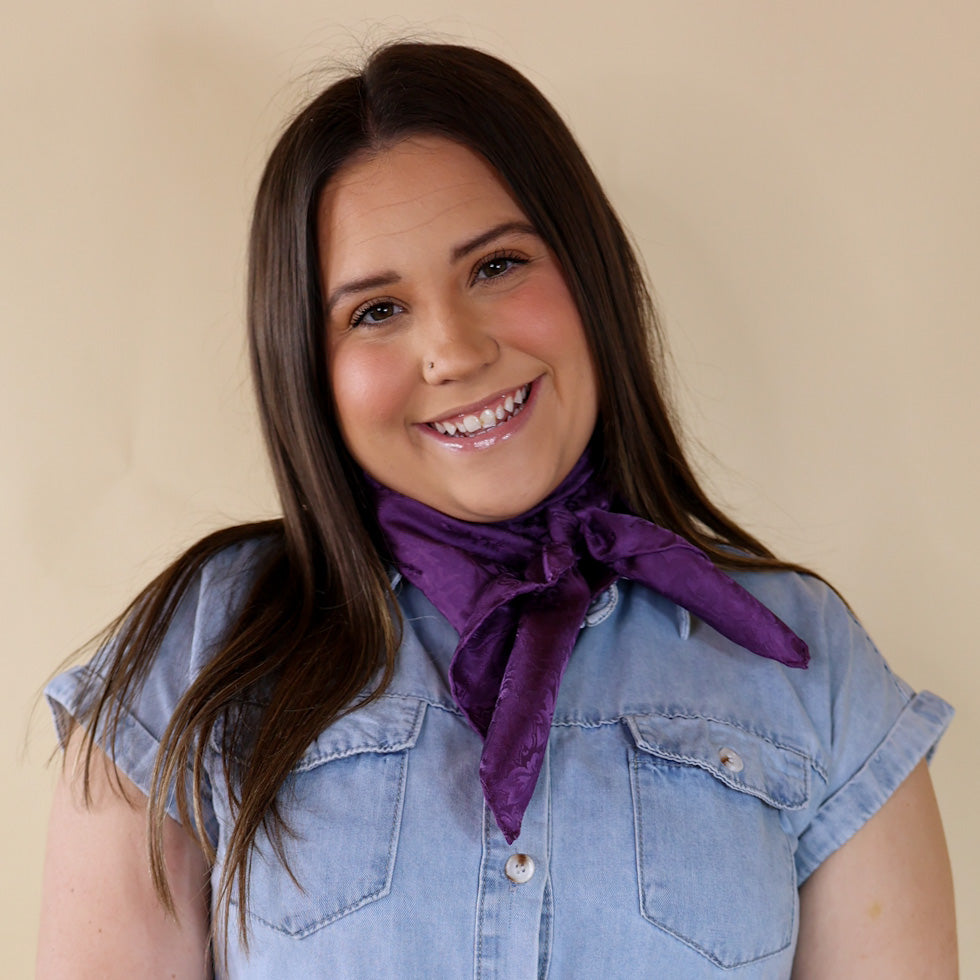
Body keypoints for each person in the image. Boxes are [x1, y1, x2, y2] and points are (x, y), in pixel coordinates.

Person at [37, 42, 957, 978]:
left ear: (589, 274)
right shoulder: (196, 658)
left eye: (496, 266)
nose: (453, 351)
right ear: (310, 368)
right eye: (375, 311)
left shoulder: (811, 669)